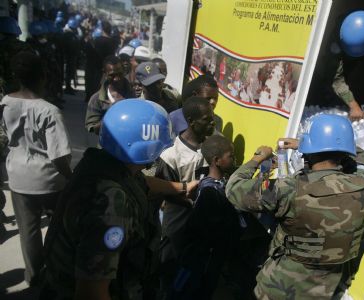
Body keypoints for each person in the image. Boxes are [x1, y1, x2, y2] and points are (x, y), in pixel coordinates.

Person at [41, 99, 185, 299]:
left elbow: (141, 183)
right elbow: (91, 293)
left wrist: (183, 187)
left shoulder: (102, 163)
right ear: (149, 149)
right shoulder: (110, 206)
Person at [226, 114, 364, 299]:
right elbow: (360, 157)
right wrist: (315, 144)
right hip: (328, 291)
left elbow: (233, 189)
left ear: (309, 152)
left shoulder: (289, 189)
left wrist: (257, 159)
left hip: (279, 288)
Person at [1, 52, 72, 286]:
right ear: (43, 76)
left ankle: (34, 277)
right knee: (59, 229)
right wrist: (71, 178)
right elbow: (59, 155)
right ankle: (56, 272)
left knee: (28, 232)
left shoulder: (5, 103)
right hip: (50, 180)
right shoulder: (49, 110)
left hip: (19, 179)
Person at [156, 96, 216, 299]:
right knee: (170, 276)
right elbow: (165, 191)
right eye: (207, 120)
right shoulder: (171, 155)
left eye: (212, 118)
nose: (212, 123)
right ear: (191, 121)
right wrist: (193, 201)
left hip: (200, 230)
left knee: (192, 276)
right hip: (177, 228)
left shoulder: (211, 146)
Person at [171, 135, 243, 299]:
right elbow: (199, 229)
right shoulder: (210, 192)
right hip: (203, 260)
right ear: (217, 160)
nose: (234, 159)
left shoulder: (213, 183)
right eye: (231, 156)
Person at [85, 55, 135, 135]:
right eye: (112, 75)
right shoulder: (96, 99)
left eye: (119, 74)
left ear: (124, 71)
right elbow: (92, 128)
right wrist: (113, 116)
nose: (116, 78)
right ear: (105, 73)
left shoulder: (135, 94)